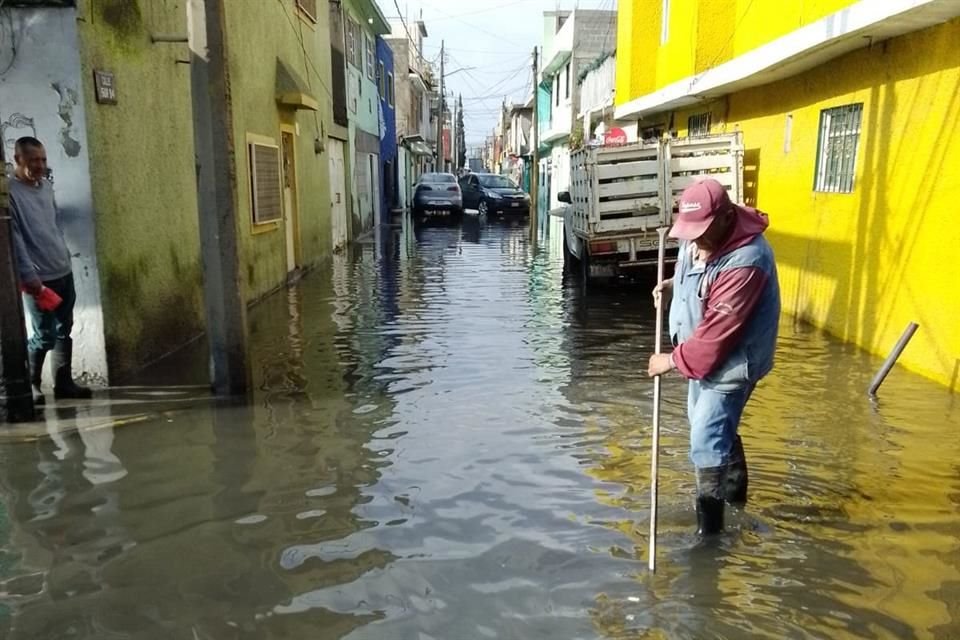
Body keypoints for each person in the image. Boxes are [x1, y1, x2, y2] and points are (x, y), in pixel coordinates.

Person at [648, 178, 780, 536]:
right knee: (713, 428)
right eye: (690, 233)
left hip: (731, 363)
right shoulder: (700, 237)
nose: (695, 241)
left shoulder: (747, 261)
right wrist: (674, 285)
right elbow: (699, 274)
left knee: (706, 438)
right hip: (700, 355)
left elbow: (715, 338)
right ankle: (735, 504)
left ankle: (711, 537)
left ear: (725, 219)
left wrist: (670, 361)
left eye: (702, 232)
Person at [9, 136, 92, 404]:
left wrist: (65, 255)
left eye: (43, 159)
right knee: (43, 334)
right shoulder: (10, 194)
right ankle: (31, 383)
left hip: (62, 269)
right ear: (18, 161)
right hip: (38, 278)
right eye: (34, 160)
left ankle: (63, 383)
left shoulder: (45, 187)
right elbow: (16, 238)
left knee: (63, 328)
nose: (40, 165)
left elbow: (55, 223)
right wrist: (28, 276)